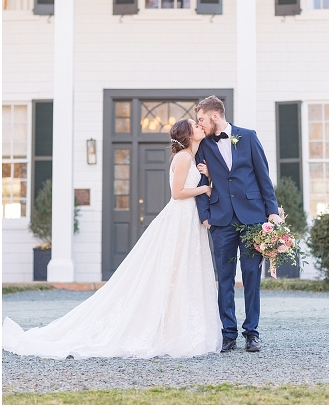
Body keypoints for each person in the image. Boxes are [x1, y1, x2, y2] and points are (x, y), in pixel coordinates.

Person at [2, 119, 221, 359]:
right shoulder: (182, 158)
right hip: (179, 218)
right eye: (195, 125)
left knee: (182, 271)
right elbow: (177, 193)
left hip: (188, 219)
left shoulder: (191, 158)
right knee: (172, 270)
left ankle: (175, 327)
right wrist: (204, 188)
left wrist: (208, 178)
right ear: (188, 134)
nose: (200, 127)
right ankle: (166, 329)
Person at [194, 95, 279, 353]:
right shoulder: (203, 145)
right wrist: (205, 215)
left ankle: (252, 333)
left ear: (215, 116)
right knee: (225, 278)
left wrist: (272, 212)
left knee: (252, 276)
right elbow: (199, 181)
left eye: (201, 119)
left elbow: (264, 177)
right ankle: (228, 333)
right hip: (220, 220)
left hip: (252, 217)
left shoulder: (249, 137)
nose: (200, 125)